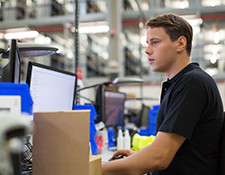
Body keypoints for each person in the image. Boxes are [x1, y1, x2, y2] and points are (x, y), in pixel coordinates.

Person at [102, 13, 224, 175]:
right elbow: (175, 151)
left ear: (180, 43)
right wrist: (138, 157)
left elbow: (159, 158)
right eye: (147, 43)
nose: (147, 50)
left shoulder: (192, 83)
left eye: (155, 42)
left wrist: (95, 168)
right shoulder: (179, 83)